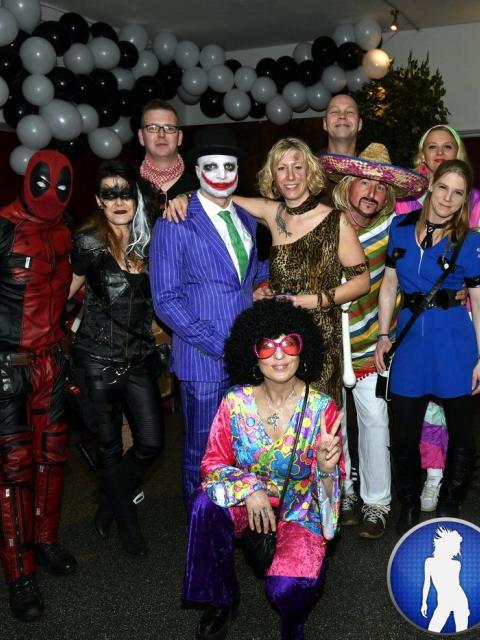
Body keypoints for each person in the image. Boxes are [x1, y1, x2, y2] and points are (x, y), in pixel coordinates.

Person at [182, 298, 343, 640]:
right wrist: (249, 488)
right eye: (267, 346)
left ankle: (294, 619)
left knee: (288, 590)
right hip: (249, 504)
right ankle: (221, 599)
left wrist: (326, 469)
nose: (279, 356)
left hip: (300, 510)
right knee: (203, 505)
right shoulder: (235, 402)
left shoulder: (322, 409)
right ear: (252, 354)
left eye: (289, 344)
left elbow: (332, 498)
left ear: (302, 350)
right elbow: (211, 464)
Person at [150, 126, 270, 503]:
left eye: (228, 166)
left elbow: (249, 276)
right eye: (212, 166)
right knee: (203, 450)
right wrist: (221, 345)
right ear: (197, 171)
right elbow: (165, 300)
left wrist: (266, 285)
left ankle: (236, 515)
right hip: (202, 359)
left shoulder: (247, 219)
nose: (221, 174)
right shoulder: (174, 221)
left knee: (242, 445)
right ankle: (202, 523)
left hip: (247, 357)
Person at [374, 159, 480, 533]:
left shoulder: (470, 242)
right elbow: (389, 285)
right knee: (403, 435)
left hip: (454, 342)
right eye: (443, 187)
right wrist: (383, 335)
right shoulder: (400, 227)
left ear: (464, 200)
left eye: (458, 193)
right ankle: (408, 504)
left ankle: (451, 502)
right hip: (409, 342)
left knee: (462, 433)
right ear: (430, 185)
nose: (447, 198)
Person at [320, 143, 428, 538]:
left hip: (373, 344)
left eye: (381, 187)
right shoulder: (322, 224)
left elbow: (434, 240)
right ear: (347, 185)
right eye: (364, 183)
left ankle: (377, 503)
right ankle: (343, 493)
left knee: (375, 421)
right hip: (327, 343)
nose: (372, 193)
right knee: (331, 424)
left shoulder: (395, 229)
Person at [397, 124, 480, 513]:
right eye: (432, 146)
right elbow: (389, 276)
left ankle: (446, 492)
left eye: (448, 146)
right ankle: (416, 494)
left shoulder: (476, 209)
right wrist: (384, 334)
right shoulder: (402, 209)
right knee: (409, 424)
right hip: (411, 334)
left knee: (454, 422)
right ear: (422, 158)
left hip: (454, 330)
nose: (440, 153)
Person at [69, 160, 164, 556]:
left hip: (139, 356)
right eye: (110, 194)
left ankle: (110, 499)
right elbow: (63, 292)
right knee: (108, 445)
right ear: (99, 200)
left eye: (125, 192)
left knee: (151, 442)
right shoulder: (88, 242)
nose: (119, 201)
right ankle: (128, 523)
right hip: (96, 357)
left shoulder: (151, 239)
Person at [232, 137, 370, 403]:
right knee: (284, 413)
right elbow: (219, 198)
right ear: (273, 176)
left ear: (310, 172)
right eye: (281, 168)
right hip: (281, 339)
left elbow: (362, 282)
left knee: (319, 417)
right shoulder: (272, 212)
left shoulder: (335, 221)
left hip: (321, 338)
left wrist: (315, 300)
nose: (290, 176)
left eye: (298, 167)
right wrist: (185, 197)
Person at [0, 150, 77, 622]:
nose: (53, 193)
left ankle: (45, 542)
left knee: (52, 458)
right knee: (14, 470)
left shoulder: (66, 233)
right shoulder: (3, 228)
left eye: (63, 186)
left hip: (51, 363)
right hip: (7, 366)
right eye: (45, 182)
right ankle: (19, 572)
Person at [138, 98, 199, 200]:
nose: (161, 134)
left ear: (179, 137)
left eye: (169, 128)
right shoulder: (128, 185)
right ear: (141, 137)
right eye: (153, 128)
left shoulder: (201, 187)